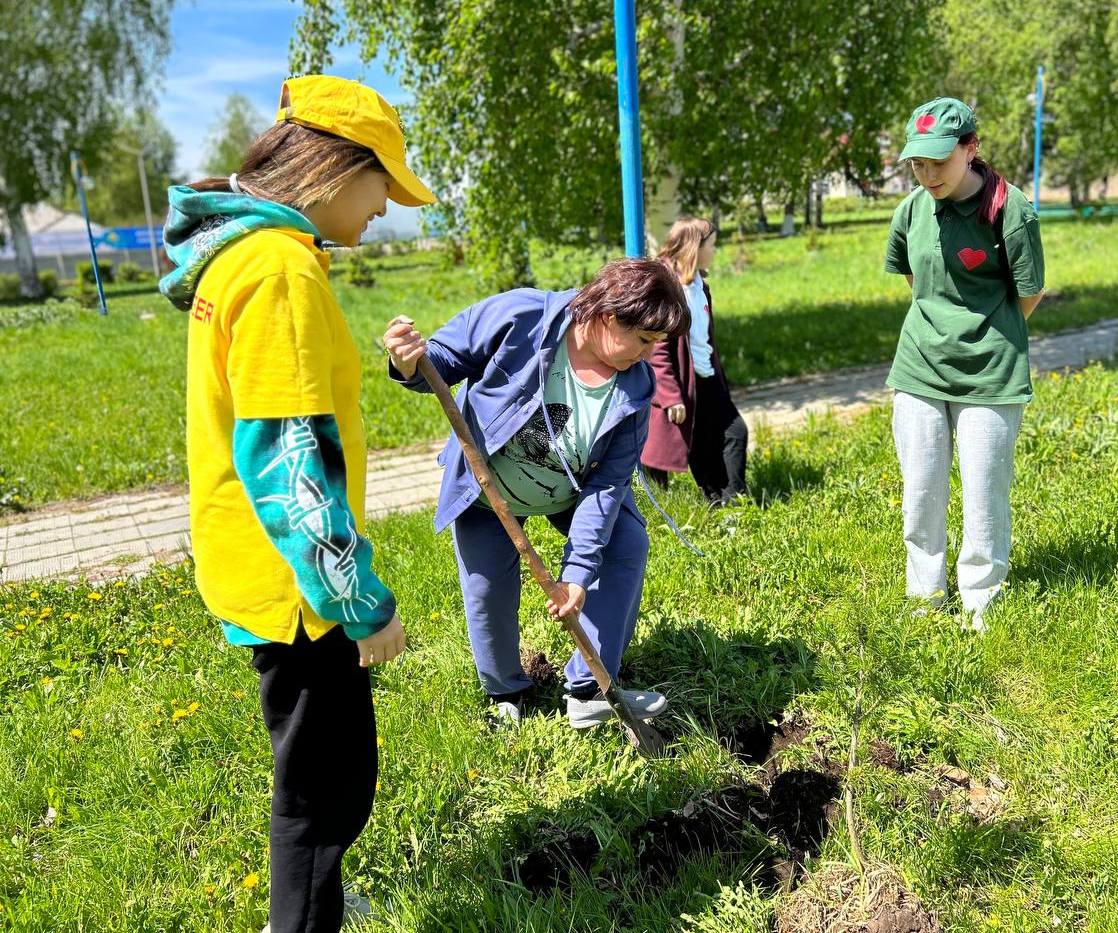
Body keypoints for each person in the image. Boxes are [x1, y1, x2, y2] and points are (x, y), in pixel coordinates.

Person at [161, 75, 436, 933]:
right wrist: (361, 605)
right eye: (380, 185)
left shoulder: (245, 257)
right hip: (301, 593)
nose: (386, 209)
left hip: (263, 573)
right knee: (323, 796)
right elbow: (287, 463)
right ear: (333, 168)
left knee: (323, 785)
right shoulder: (280, 271)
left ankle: (315, 901)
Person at [381, 258, 689, 728]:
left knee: (626, 544)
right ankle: (505, 691)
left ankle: (589, 687)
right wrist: (408, 361)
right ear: (608, 316)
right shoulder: (522, 317)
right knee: (487, 591)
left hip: (570, 490)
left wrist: (578, 573)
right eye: (643, 340)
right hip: (490, 491)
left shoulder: (635, 385)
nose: (647, 355)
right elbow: (440, 361)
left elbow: (608, 484)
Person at [883, 96, 1046, 631]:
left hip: (991, 374)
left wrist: (985, 331)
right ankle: (924, 603)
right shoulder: (911, 210)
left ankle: (980, 608)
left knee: (983, 496)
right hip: (920, 370)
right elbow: (918, 284)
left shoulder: (1010, 209)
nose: (928, 174)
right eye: (918, 163)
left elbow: (1029, 292)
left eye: (939, 161)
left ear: (970, 149)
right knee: (922, 494)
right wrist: (943, 328)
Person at [641, 217, 748, 506]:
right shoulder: (666, 288)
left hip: (707, 376)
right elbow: (658, 349)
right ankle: (722, 501)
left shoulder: (701, 285)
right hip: (683, 383)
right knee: (701, 443)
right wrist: (671, 396)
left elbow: (705, 340)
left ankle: (733, 502)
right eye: (712, 244)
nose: (715, 250)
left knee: (733, 433)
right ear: (694, 248)